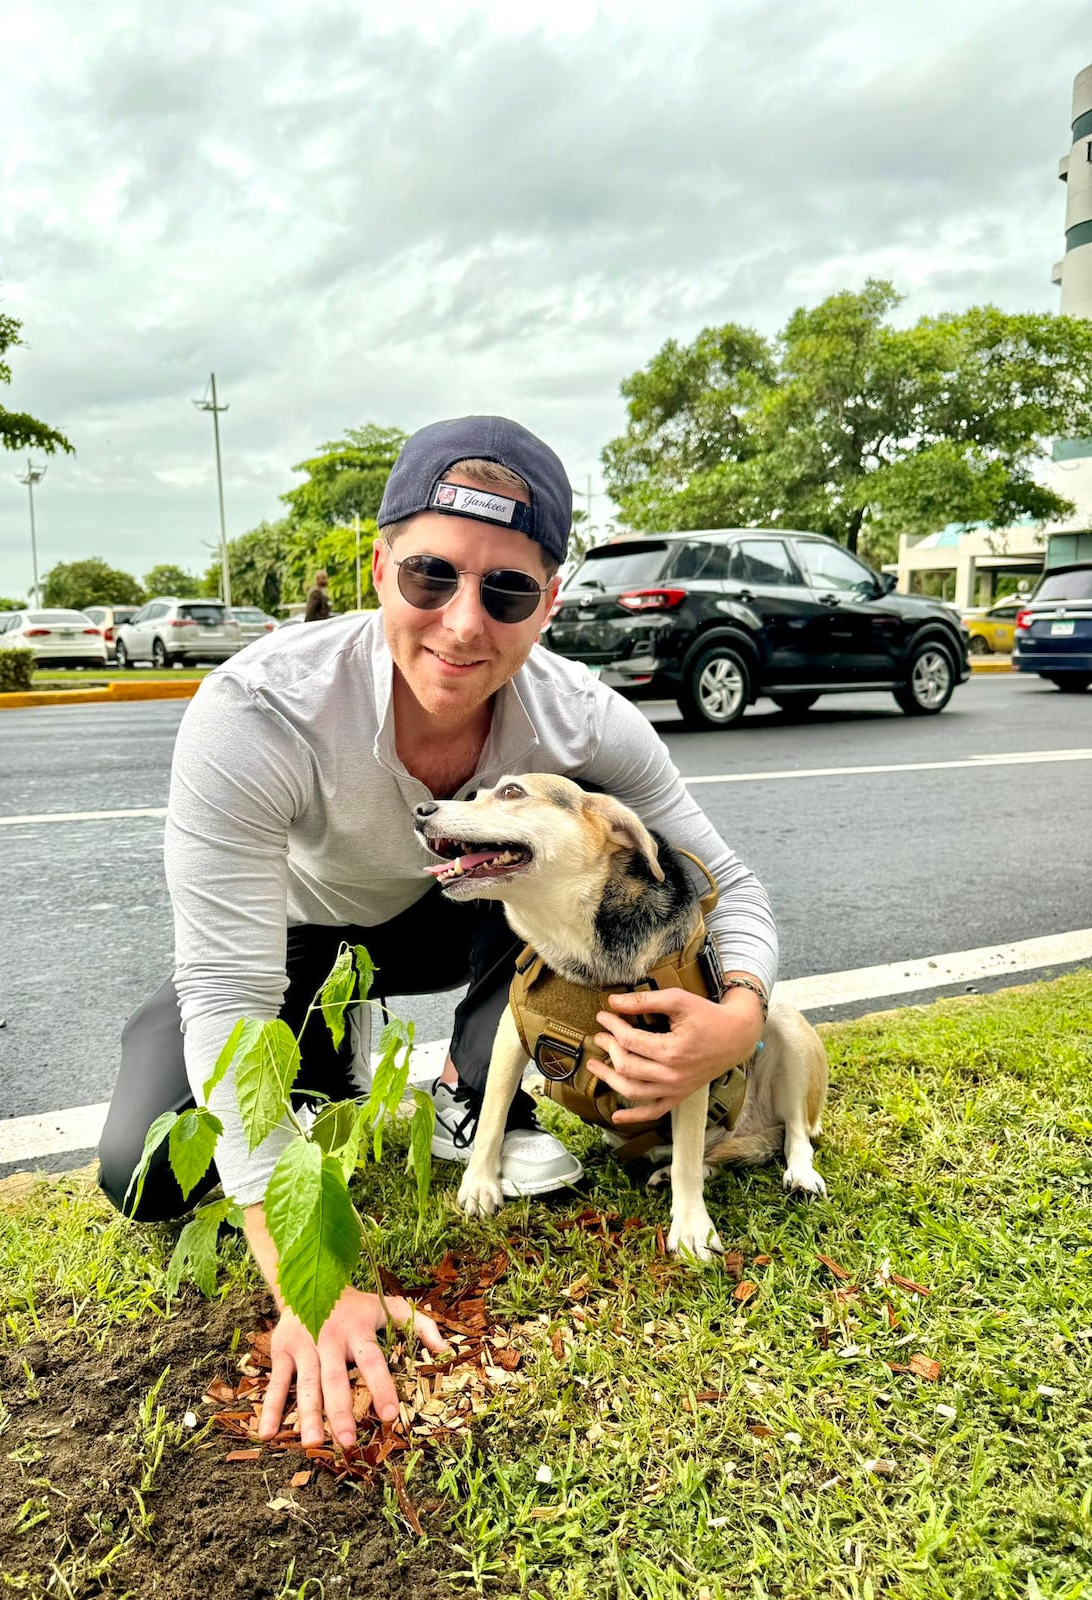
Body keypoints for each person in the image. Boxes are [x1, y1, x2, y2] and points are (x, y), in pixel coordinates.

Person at [97, 415, 776, 1455]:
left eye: (506, 591)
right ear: (379, 569)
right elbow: (226, 991)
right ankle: (324, 1059)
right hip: (303, 937)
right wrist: (307, 1279)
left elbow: (727, 881)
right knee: (143, 1173)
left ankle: (472, 1088)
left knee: (542, 876)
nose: (463, 625)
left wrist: (738, 1018)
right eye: (430, 576)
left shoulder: (585, 719)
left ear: (548, 603)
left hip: (472, 915)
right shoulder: (257, 709)